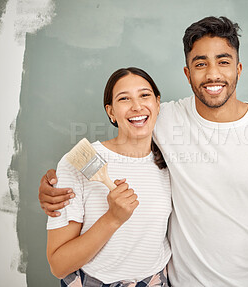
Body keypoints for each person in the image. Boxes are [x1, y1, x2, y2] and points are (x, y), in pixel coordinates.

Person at [39, 17, 248, 286]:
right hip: (181, 282)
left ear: (238, 68)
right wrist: (54, 186)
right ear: (188, 73)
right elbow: (121, 143)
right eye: (201, 63)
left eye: (223, 61)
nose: (213, 74)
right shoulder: (161, 119)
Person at [47, 67, 172, 286]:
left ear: (157, 103)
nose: (137, 106)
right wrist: (112, 218)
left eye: (145, 95)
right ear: (111, 112)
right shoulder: (78, 163)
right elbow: (59, 265)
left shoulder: (172, 162)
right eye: (124, 99)